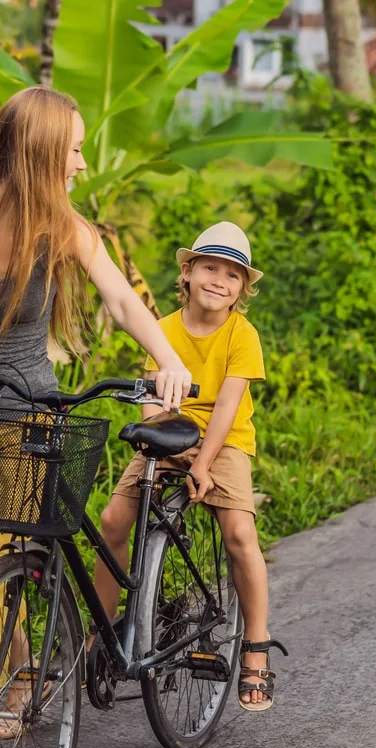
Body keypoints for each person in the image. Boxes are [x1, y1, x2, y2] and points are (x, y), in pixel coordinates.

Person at [0, 86, 193, 748]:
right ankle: (26, 667)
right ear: (38, 153)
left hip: (29, 416)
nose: (83, 163)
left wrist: (169, 358)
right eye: (74, 149)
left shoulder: (59, 223)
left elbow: (121, 299)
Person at [93, 221, 288, 713]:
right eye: (210, 268)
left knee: (239, 532)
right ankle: (102, 635)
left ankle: (256, 647)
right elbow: (151, 397)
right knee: (114, 520)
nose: (219, 280)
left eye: (232, 275)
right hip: (169, 431)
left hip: (223, 442)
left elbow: (227, 407)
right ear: (187, 271)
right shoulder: (162, 330)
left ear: (243, 287)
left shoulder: (243, 336)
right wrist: (157, 443)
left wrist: (202, 463)